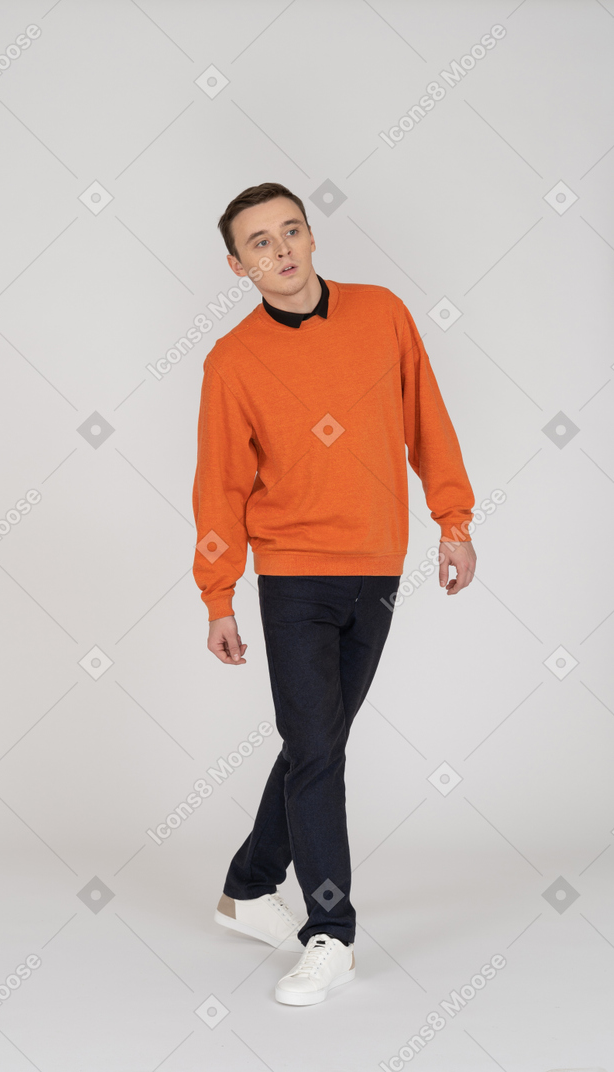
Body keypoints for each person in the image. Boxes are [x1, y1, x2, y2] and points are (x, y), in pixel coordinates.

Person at [191, 182, 476, 1006]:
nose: (279, 250)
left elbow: (427, 417)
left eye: (290, 231)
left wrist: (451, 521)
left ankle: (248, 886)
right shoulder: (232, 361)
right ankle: (330, 932)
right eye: (258, 243)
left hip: (377, 569)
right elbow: (219, 487)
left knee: (315, 741)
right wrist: (218, 594)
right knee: (317, 749)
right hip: (291, 577)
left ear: (311, 237)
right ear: (236, 265)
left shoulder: (382, 314)